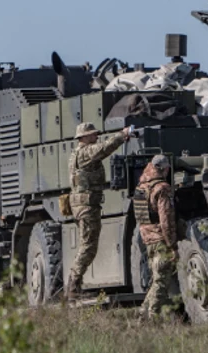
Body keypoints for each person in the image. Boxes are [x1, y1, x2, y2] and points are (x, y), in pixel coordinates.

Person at [65, 122, 131, 299]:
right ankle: (73, 286)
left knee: (87, 245)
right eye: (93, 135)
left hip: (84, 205)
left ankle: (75, 285)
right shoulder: (85, 152)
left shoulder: (77, 153)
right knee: (88, 246)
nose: (96, 137)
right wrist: (121, 135)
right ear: (84, 137)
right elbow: (104, 149)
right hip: (86, 206)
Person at [133, 154, 177, 318]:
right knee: (161, 281)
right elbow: (165, 219)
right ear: (165, 169)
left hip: (147, 238)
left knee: (156, 279)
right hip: (159, 239)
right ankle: (153, 317)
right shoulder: (162, 188)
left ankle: (143, 313)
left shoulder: (141, 186)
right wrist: (172, 245)